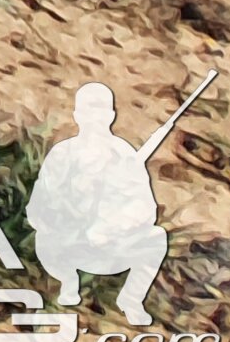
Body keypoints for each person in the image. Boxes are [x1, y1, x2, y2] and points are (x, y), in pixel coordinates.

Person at [32, 81, 174, 327]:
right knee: (44, 240)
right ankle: (67, 283)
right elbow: (39, 206)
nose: (95, 116)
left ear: (111, 115)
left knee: (156, 237)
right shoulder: (62, 154)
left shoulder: (124, 155)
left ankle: (131, 300)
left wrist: (114, 226)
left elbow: (145, 209)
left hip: (112, 247)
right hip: (68, 244)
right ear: (77, 115)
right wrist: (70, 215)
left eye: (101, 108)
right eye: (89, 109)